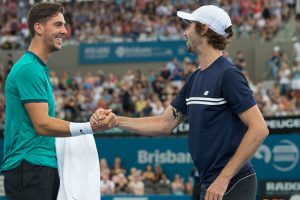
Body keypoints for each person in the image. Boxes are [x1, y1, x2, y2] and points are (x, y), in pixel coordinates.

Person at [92, 5, 269, 200]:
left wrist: (224, 178)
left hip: (231, 183)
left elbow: (259, 128)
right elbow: (164, 123)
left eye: (189, 26)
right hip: (211, 183)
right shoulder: (195, 79)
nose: (185, 33)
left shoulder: (228, 75)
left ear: (203, 29)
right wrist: (116, 121)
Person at [1, 2, 116, 200]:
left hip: (37, 166)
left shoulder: (37, 68)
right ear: (38, 28)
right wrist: (90, 127)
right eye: (57, 25)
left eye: (64, 25)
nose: (64, 30)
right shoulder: (29, 69)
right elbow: (43, 125)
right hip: (28, 167)